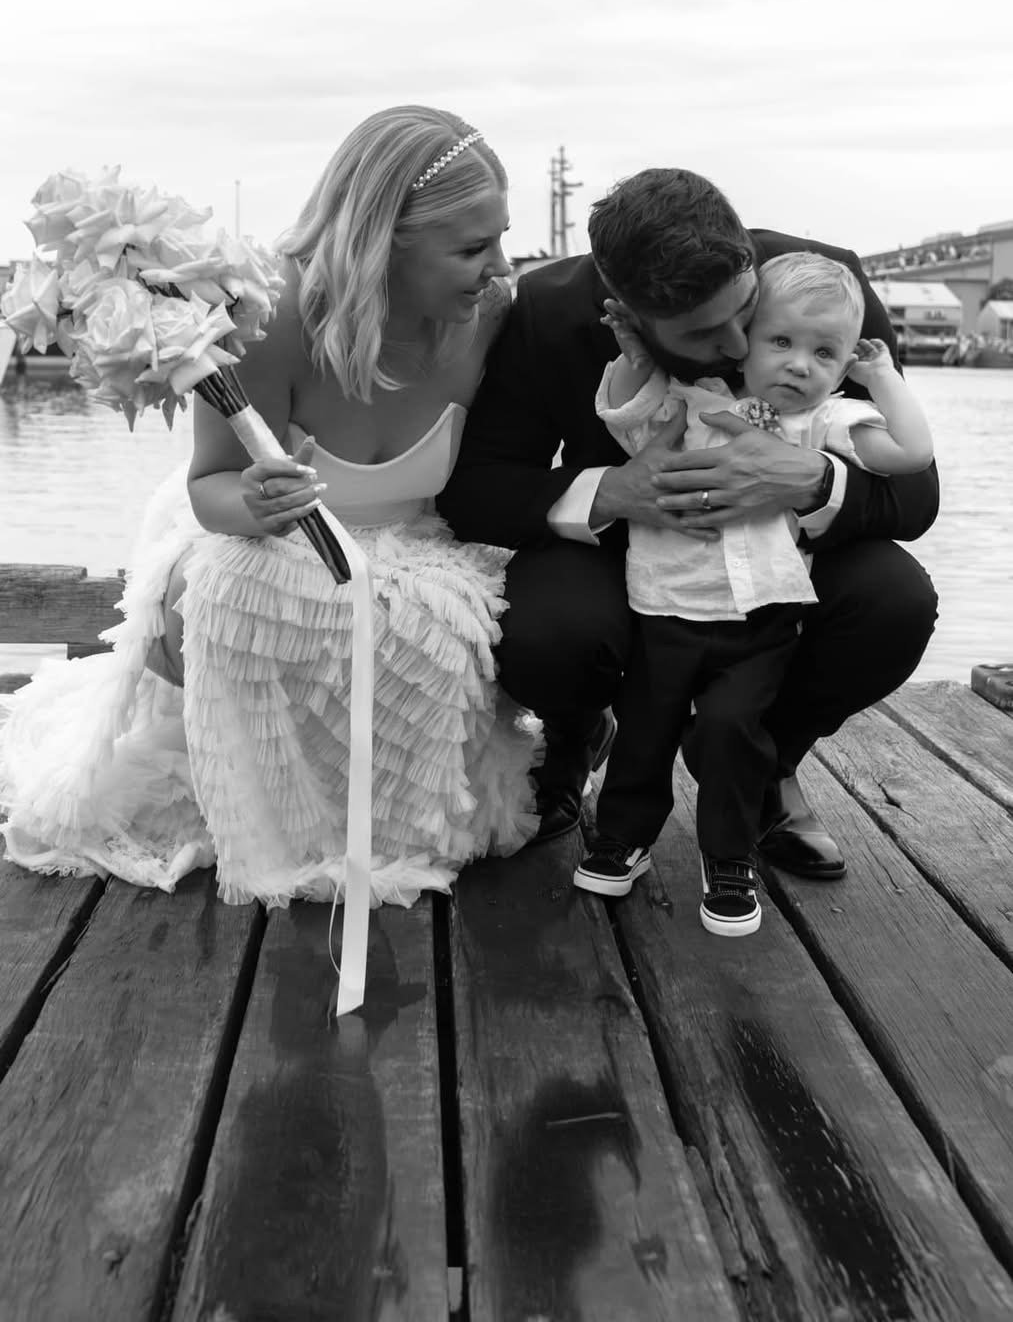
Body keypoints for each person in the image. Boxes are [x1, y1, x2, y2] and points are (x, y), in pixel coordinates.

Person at [0, 107, 541, 910]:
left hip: (418, 545)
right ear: (382, 238)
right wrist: (255, 501)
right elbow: (210, 488)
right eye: (471, 248)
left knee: (437, 626)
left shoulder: (494, 317)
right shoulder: (269, 317)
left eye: (499, 238)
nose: (498, 268)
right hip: (271, 539)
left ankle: (395, 825)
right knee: (236, 592)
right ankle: (272, 823)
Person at [438, 168, 940, 878]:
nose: (739, 346)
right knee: (547, 632)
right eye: (704, 333)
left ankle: (766, 762)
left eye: (746, 312)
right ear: (626, 312)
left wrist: (808, 478)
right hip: (620, 550)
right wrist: (614, 490)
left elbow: (914, 496)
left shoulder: (825, 285)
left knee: (894, 601)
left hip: (779, 557)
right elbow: (477, 490)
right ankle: (578, 735)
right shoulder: (546, 312)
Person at [572, 250, 935, 934]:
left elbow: (910, 455)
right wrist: (630, 353)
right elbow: (623, 415)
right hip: (664, 609)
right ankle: (624, 836)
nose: (800, 364)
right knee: (644, 728)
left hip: (760, 620)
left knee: (736, 730)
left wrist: (879, 375)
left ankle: (729, 856)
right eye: (781, 342)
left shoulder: (822, 422)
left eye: (823, 352)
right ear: (743, 342)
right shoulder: (695, 402)